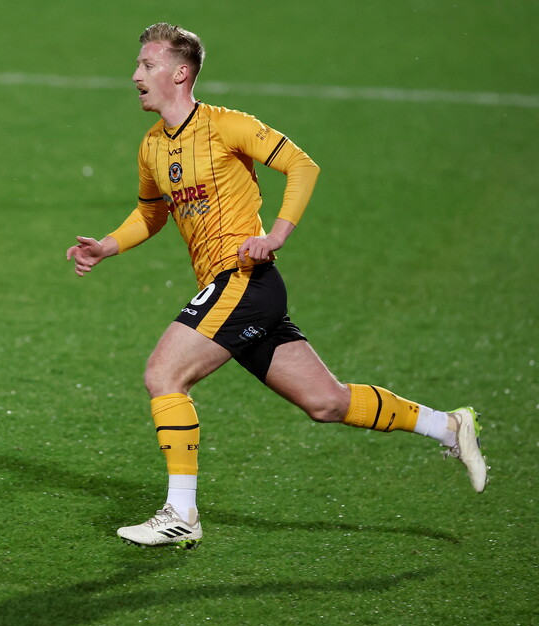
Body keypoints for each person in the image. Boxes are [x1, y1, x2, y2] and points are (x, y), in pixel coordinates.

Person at [65, 22, 487, 549]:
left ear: (181, 72)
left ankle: (181, 512)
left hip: (243, 280)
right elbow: (152, 213)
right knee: (326, 402)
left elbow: (301, 166)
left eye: (147, 66)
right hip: (245, 293)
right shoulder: (152, 146)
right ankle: (448, 426)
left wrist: (276, 234)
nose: (135, 76)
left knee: (164, 374)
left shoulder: (226, 126)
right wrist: (108, 245)